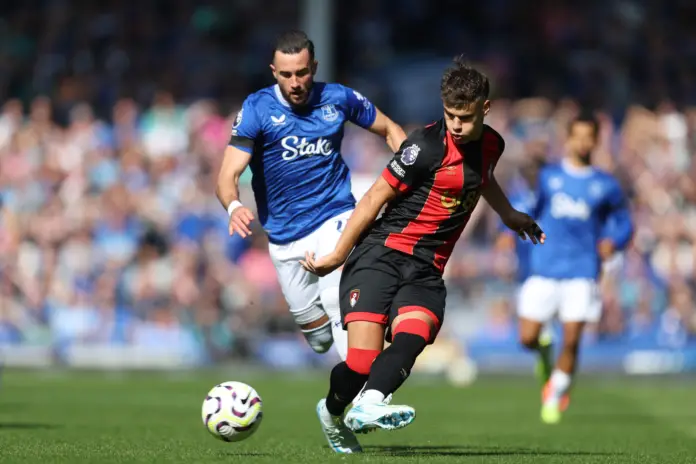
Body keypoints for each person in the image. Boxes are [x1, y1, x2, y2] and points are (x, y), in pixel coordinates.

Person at [301, 57, 545, 453]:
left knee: (414, 337)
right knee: (362, 362)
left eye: (464, 117)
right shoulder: (424, 146)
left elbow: (482, 179)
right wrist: (336, 255)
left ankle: (370, 403)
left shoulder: (492, 145)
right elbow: (374, 199)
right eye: (450, 115)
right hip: (381, 255)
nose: (456, 125)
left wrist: (509, 213)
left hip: (426, 270)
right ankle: (332, 411)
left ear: (485, 109)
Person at [216, 30, 406, 361]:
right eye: (286, 74)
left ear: (314, 68)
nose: (295, 82)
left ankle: (363, 397)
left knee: (337, 301)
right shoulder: (257, 108)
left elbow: (389, 129)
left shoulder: (339, 98)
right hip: (285, 237)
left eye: (301, 73)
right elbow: (227, 174)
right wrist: (233, 205)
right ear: (274, 72)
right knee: (318, 338)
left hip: (335, 216)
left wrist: (409, 173)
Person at [517, 113, 633, 424]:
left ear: (596, 141)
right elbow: (530, 209)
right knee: (527, 338)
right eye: (577, 135)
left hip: (582, 270)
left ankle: (555, 395)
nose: (582, 142)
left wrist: (614, 241)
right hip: (545, 266)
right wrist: (509, 231)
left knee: (572, 339)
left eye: (588, 136)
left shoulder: (605, 185)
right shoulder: (549, 177)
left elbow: (624, 223)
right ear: (568, 139)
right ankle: (543, 352)